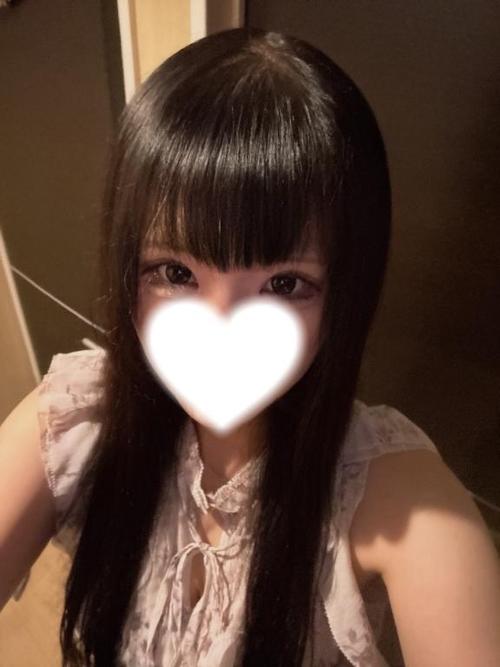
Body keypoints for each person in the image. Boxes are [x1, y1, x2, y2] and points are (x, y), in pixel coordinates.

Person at [1, 27, 500, 667]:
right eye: (176, 273)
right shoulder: (79, 416)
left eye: (283, 284)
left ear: (343, 290)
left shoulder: (389, 495)